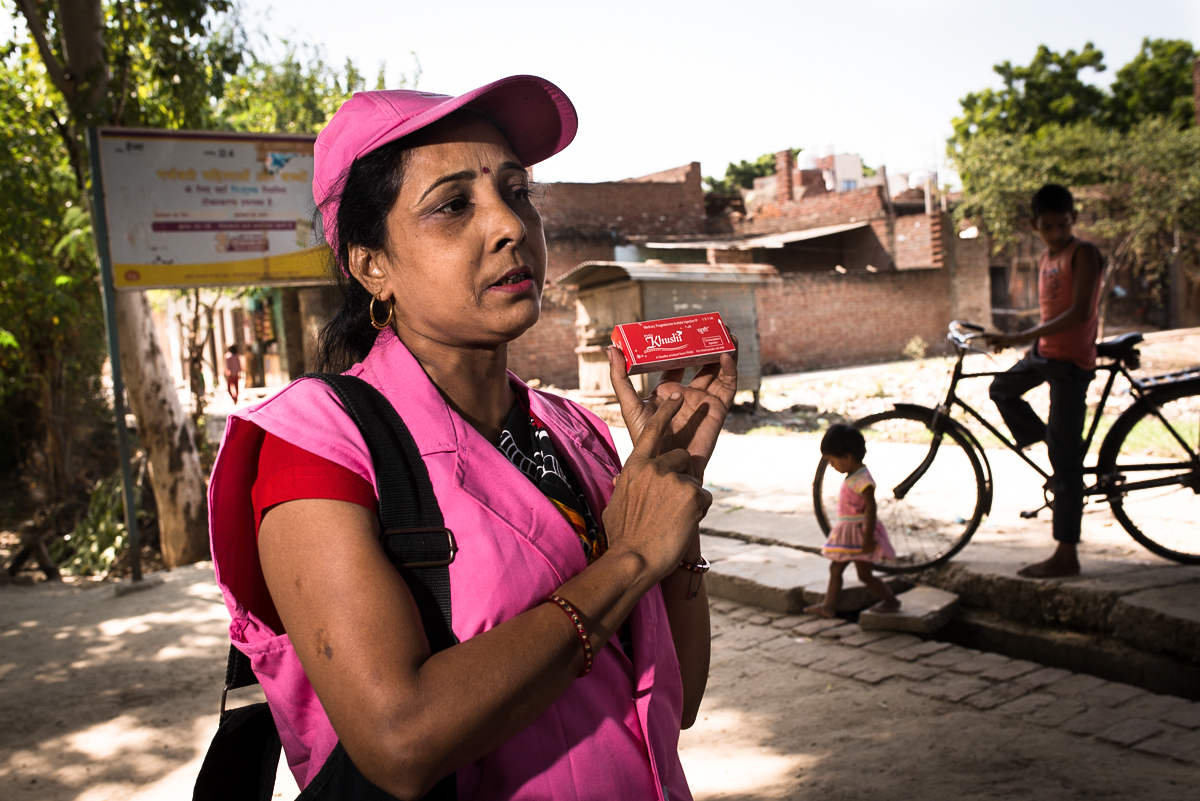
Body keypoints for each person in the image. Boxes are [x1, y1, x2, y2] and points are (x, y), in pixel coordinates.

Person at [206, 76, 739, 801]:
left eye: (518, 193)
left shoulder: (574, 432)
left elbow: (679, 696)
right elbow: (399, 739)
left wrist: (670, 505)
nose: (509, 225)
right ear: (372, 265)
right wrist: (632, 556)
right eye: (454, 205)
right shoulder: (318, 446)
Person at [985, 184, 1103, 579]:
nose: (1055, 233)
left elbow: (1079, 312)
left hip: (1070, 364)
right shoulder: (1046, 257)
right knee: (1001, 389)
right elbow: (1050, 308)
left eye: (1063, 224)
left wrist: (1020, 336)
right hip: (1044, 354)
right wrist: (1028, 340)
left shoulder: (1082, 253)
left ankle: (1066, 555)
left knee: (1066, 465)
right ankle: (1053, 445)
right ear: (1034, 225)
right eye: (1047, 227)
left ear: (1074, 219)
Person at [804, 424, 900, 618]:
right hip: (849, 533)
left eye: (832, 461)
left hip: (857, 534)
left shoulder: (863, 481)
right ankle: (828, 606)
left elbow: (871, 510)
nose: (831, 465)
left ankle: (891, 601)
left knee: (862, 574)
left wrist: (867, 539)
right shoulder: (854, 476)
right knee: (838, 568)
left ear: (847, 458)